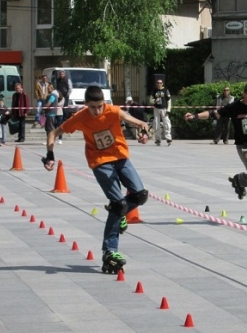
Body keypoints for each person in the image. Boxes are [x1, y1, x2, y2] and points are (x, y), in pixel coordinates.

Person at [43, 85, 150, 274]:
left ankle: (120, 214)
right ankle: (110, 251)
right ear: (86, 105)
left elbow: (140, 123)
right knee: (118, 205)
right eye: (93, 107)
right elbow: (53, 133)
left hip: (121, 157)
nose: (97, 111)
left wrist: (144, 132)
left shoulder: (113, 111)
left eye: (100, 106)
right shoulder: (81, 117)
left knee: (140, 195)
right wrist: (50, 154)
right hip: (100, 162)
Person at [184, 82, 247, 226]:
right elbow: (213, 114)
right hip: (245, 148)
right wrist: (195, 116)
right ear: (244, 94)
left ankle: (239, 180)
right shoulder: (235, 107)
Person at [151, 78, 172, 146]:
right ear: (156, 84)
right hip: (156, 109)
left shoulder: (166, 90)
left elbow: (169, 101)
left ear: (162, 83)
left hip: (164, 109)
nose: (159, 84)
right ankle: (158, 139)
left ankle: (168, 138)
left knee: (166, 123)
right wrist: (154, 101)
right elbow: (151, 100)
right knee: (156, 124)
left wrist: (168, 110)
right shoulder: (154, 91)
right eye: (158, 83)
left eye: (160, 83)